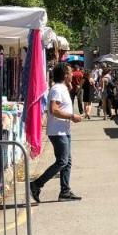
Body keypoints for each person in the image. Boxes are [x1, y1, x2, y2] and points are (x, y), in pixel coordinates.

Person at [31, 64, 83, 203]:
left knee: (67, 162)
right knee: (62, 161)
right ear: (65, 74)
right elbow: (54, 110)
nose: (73, 74)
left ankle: (65, 191)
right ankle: (36, 184)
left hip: (63, 130)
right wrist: (72, 116)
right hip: (57, 132)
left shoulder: (63, 88)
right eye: (71, 72)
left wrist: (71, 87)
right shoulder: (57, 89)